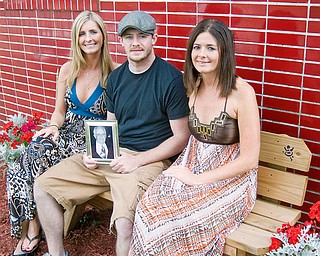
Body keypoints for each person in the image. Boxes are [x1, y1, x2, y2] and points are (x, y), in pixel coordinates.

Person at [34, 10, 190, 256]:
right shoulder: (116, 78)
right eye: (129, 37)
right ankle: (57, 254)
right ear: (120, 41)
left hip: (147, 160)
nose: (135, 43)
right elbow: (110, 125)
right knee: (43, 187)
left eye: (142, 36)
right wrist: (94, 153)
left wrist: (137, 160)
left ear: (155, 38)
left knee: (124, 223)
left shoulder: (171, 80)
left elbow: (181, 137)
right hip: (113, 155)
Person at [129, 19, 261, 255]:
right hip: (191, 164)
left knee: (180, 221)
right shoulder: (193, 85)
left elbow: (250, 160)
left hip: (231, 180)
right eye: (197, 47)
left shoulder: (242, 93)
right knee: (148, 208)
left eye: (211, 48)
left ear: (225, 52)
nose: (202, 54)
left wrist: (198, 180)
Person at [6, 10, 118, 256]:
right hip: (65, 132)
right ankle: (34, 228)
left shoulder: (114, 73)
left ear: (102, 35)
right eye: (82, 33)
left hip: (91, 138)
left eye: (93, 32)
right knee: (23, 162)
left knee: (37, 164)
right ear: (76, 38)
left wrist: (98, 151)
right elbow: (59, 112)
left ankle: (35, 233)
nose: (88, 38)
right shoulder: (67, 69)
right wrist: (53, 127)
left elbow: (113, 122)